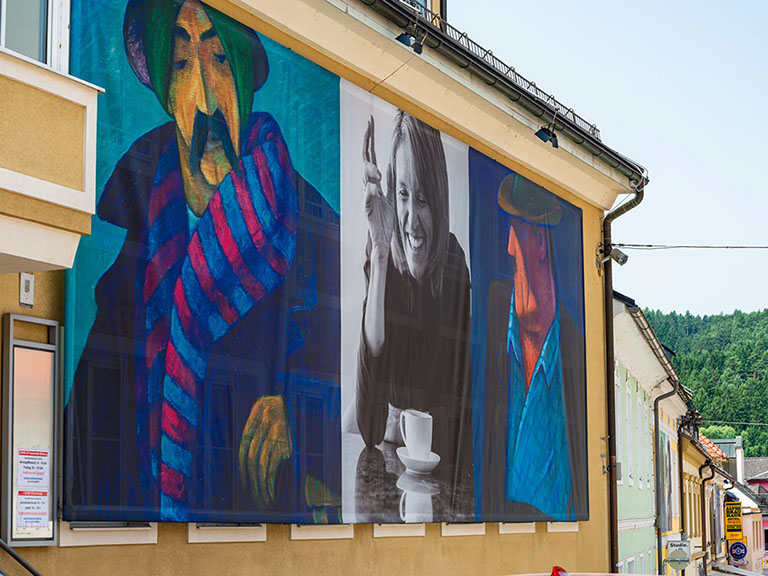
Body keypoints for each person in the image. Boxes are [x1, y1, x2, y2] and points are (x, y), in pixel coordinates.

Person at [64, 0, 340, 523]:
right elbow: (87, 431)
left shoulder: (313, 233)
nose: (208, 97)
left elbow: (373, 387)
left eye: (220, 61)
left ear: (246, 82)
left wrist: (300, 413)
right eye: (183, 65)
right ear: (168, 95)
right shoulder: (137, 256)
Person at [355, 111, 472, 504]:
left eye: (422, 200)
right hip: (391, 466)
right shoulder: (383, 250)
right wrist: (380, 252)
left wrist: (398, 419)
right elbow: (370, 427)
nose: (410, 220)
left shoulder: (454, 264)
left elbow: (457, 414)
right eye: (403, 195)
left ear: (439, 201)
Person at [482, 172, 587, 522]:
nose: (509, 248)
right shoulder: (487, 321)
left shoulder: (575, 352)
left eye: (516, 231)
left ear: (541, 242)